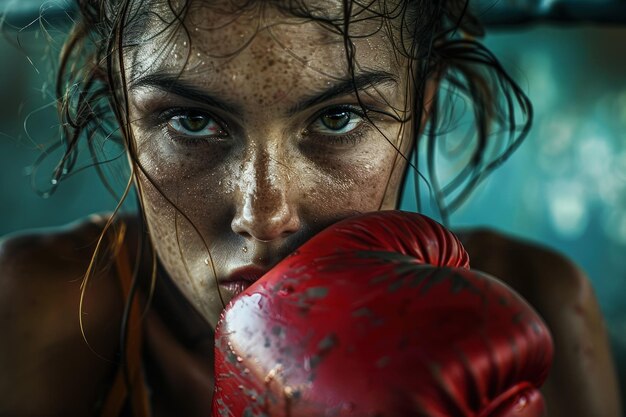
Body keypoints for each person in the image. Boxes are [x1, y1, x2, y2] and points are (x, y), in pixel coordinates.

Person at [0, 0, 621, 416]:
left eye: (337, 117)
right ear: (123, 114)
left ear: (422, 102)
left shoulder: (538, 302)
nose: (264, 213)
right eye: (191, 121)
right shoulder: (40, 313)